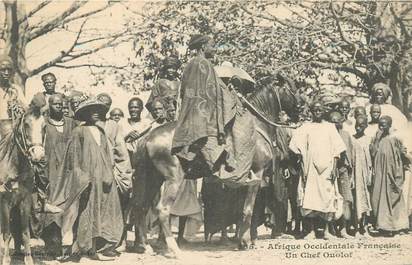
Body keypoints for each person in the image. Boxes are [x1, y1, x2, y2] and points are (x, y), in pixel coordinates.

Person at [172, 34, 255, 185]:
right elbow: (213, 93)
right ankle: (229, 172)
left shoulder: (192, 64)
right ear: (203, 47)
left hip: (193, 113)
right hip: (203, 117)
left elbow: (193, 90)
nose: (214, 48)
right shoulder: (204, 64)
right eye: (212, 45)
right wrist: (230, 94)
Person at [53, 98, 124, 261]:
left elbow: (107, 156)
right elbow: (74, 158)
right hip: (86, 181)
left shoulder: (101, 132)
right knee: (85, 213)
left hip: (102, 180)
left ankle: (94, 249)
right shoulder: (79, 131)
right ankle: (81, 251)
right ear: (85, 113)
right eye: (92, 110)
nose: (96, 113)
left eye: (98, 110)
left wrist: (109, 176)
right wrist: (83, 177)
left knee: (99, 213)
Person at [289, 101, 346, 240]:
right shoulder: (305, 127)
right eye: (315, 109)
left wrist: (334, 169)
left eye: (320, 109)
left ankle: (327, 231)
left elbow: (337, 150)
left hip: (327, 169)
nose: (318, 112)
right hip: (310, 169)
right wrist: (302, 165)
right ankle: (311, 231)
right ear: (311, 111)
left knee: (327, 197)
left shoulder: (330, 127)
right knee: (310, 199)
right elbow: (296, 147)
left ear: (324, 111)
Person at [41, 93, 77, 258]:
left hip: (69, 171)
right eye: (56, 104)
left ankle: (67, 245)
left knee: (69, 205)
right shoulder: (44, 124)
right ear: (49, 105)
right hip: (51, 171)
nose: (60, 107)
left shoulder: (71, 123)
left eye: (62, 104)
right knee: (51, 204)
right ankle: (52, 244)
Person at [96, 93, 133, 253]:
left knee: (112, 207)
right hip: (92, 171)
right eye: (101, 103)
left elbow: (122, 152)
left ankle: (111, 243)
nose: (103, 106)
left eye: (107, 104)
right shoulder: (86, 125)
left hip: (110, 172)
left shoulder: (114, 126)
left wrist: (124, 175)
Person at [370, 116, 410, 236]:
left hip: (393, 173)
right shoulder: (376, 138)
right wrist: (377, 139)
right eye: (380, 125)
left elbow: (402, 154)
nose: (382, 127)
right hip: (380, 173)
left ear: (390, 125)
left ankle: (399, 226)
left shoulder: (395, 138)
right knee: (379, 198)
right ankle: (384, 226)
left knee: (395, 197)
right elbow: (372, 152)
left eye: (384, 124)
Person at [329, 111, 353, 238]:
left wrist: (350, 173)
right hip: (330, 172)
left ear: (341, 122)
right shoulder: (326, 135)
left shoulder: (346, 135)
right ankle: (331, 228)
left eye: (337, 121)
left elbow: (349, 155)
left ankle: (344, 229)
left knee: (346, 199)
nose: (335, 124)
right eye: (332, 121)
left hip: (343, 171)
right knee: (331, 200)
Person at [351, 116, 373, 238]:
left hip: (365, 176)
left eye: (361, 125)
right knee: (356, 201)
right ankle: (356, 228)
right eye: (357, 125)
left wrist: (370, 175)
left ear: (366, 126)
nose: (358, 128)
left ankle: (365, 228)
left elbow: (371, 160)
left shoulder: (369, 139)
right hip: (355, 176)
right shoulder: (352, 139)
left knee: (366, 200)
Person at [146, 56, 181, 122]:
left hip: (177, 113)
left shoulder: (179, 84)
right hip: (162, 113)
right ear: (165, 69)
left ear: (176, 70)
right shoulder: (159, 82)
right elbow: (152, 100)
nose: (171, 70)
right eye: (169, 68)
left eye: (173, 68)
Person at [0, 56, 26, 122]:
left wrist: (18, 107)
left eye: (9, 70)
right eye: (3, 70)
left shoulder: (16, 89)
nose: (6, 73)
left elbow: (25, 109)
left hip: (12, 127)